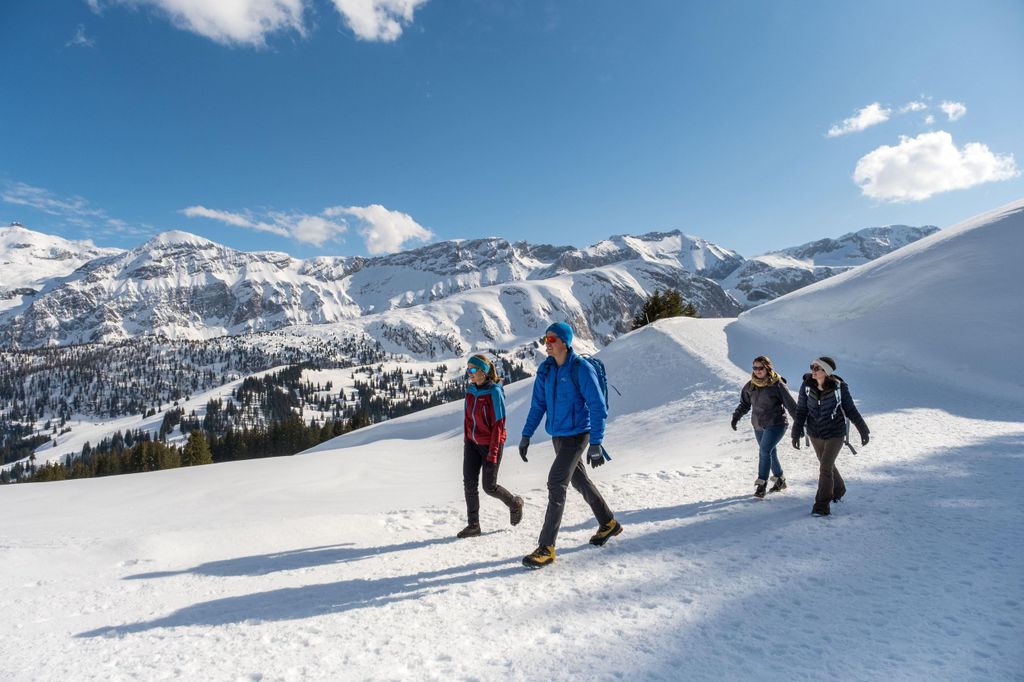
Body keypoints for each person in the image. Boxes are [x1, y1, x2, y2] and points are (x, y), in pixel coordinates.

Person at [517, 322, 621, 568]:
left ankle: (546, 547)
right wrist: (526, 435)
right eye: (546, 340)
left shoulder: (581, 369)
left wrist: (595, 443)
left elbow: (598, 407)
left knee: (556, 483)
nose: (547, 344)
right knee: (578, 480)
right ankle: (609, 523)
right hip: (558, 436)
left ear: (565, 341)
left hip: (578, 435)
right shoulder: (546, 370)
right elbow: (538, 406)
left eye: (552, 339)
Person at [790, 356, 870, 517]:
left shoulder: (839, 388)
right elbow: (801, 411)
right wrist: (795, 433)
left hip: (835, 433)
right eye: (812, 366)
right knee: (827, 464)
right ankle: (839, 489)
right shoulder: (806, 386)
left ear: (826, 371)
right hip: (815, 433)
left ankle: (821, 505)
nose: (812, 370)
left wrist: (863, 429)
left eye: (816, 368)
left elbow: (850, 410)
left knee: (825, 467)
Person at [456, 354, 524, 539]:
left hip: (491, 443)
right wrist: (467, 441)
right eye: (467, 369)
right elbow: (467, 419)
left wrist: (493, 452)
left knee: (489, 486)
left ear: (483, 372)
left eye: (472, 369)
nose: (469, 373)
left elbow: (498, 425)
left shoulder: (494, 392)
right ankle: (473, 525)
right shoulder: (470, 390)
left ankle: (514, 504)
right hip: (472, 443)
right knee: (469, 483)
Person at [731, 355, 798, 498]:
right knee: (770, 452)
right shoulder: (750, 386)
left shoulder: (777, 384)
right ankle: (780, 480)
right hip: (758, 425)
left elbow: (791, 405)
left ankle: (761, 484)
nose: (757, 371)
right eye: (754, 368)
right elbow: (744, 404)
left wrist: (799, 425)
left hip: (776, 423)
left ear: (767, 368)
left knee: (764, 451)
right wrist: (736, 416)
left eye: (760, 368)